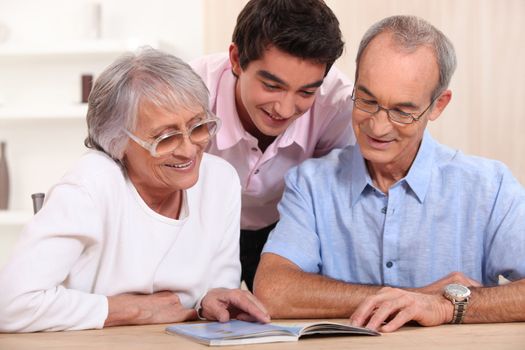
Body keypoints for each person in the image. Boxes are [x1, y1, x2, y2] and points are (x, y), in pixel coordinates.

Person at [254, 15, 525, 332]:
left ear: (438, 105)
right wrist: (413, 296)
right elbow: (273, 290)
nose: (378, 126)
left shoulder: (489, 187)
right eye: (366, 100)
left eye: (401, 111)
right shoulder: (311, 183)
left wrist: (444, 306)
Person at [0, 48, 269, 333]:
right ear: (116, 141)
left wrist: (210, 301)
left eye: (199, 127)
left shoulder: (220, 179)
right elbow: (11, 305)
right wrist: (131, 309)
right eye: (166, 138)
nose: (189, 149)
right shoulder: (91, 183)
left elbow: (216, 288)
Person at [191, 0, 355, 291]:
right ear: (236, 60)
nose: (284, 107)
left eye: (306, 92)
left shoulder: (338, 104)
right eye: (271, 86)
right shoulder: (192, 91)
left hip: (283, 228)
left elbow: (332, 195)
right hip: (201, 225)